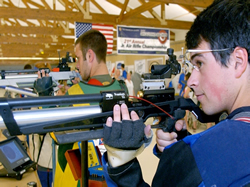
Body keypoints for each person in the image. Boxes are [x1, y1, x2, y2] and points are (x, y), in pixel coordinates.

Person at [102, 0, 250, 186]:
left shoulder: (199, 152)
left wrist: (122, 167)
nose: (191, 80)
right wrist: (183, 145)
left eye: (200, 64)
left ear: (238, 61)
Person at [34, 30, 126, 187]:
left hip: (78, 178)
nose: (76, 65)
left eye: (78, 58)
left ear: (90, 56)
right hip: (116, 177)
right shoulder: (123, 90)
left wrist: (45, 97)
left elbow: (56, 133)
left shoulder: (76, 93)